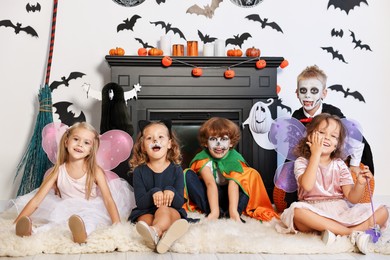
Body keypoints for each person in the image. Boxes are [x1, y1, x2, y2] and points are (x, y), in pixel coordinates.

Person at [276, 113, 388, 254]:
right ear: (310, 137)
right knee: (297, 211)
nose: (327, 137)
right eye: (322, 133)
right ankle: (353, 232)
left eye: (333, 136)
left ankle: (338, 232)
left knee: (383, 211)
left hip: (339, 210)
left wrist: (359, 184)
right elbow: (308, 186)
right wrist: (315, 153)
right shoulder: (301, 162)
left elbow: (352, 198)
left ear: (337, 144)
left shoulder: (339, 164)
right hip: (313, 211)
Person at [10, 122, 134, 243]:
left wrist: (117, 226)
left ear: (91, 150)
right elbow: (37, 199)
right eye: (76, 139)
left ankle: (82, 233)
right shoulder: (58, 171)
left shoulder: (95, 171)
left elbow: (108, 199)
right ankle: (30, 231)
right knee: (54, 224)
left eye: (86, 143)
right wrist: (17, 221)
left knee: (90, 221)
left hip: (90, 208)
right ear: (66, 142)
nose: (80, 144)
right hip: (66, 207)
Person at [284, 65, 375, 207]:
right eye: (303, 90)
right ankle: (299, 200)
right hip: (309, 156)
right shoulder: (296, 116)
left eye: (314, 91)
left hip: (335, 156)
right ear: (297, 93)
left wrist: (354, 165)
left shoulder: (333, 114)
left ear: (323, 93)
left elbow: (355, 139)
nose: (308, 95)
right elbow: (294, 143)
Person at [184, 117, 278, 222]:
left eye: (224, 139)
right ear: (206, 143)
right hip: (211, 198)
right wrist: (214, 212)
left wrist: (233, 210)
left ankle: (232, 214)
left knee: (250, 173)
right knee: (187, 174)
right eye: (213, 139)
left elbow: (234, 184)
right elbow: (210, 184)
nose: (218, 144)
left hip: (232, 198)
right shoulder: (202, 158)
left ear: (231, 143)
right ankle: (215, 213)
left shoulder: (235, 158)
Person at [128, 119, 189, 254]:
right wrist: (153, 192)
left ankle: (156, 231)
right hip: (147, 211)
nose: (155, 140)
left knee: (163, 211)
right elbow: (141, 203)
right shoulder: (139, 171)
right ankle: (163, 235)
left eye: (160, 137)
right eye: (149, 138)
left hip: (170, 211)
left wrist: (171, 191)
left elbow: (179, 203)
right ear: (143, 146)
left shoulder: (176, 170)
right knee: (144, 221)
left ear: (169, 144)